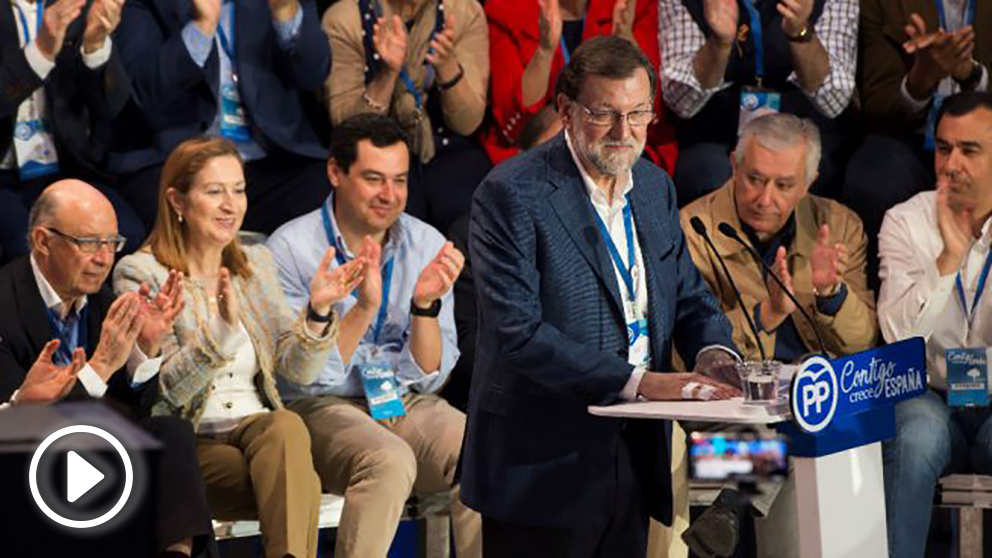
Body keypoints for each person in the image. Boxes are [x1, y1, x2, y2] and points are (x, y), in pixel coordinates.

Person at [461, 36, 740, 557]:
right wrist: (641, 383)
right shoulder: (511, 194)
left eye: (638, 115)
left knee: (761, 463)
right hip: (541, 465)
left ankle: (741, 498)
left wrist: (716, 356)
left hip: (635, 453)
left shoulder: (655, 189)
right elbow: (519, 335)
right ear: (565, 110)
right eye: (604, 114)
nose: (623, 132)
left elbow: (690, 298)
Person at [114, 137, 364, 558]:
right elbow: (167, 395)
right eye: (215, 192)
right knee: (296, 477)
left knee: (285, 427)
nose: (231, 204)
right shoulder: (143, 273)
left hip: (261, 436)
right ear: (177, 199)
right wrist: (222, 334)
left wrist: (318, 311)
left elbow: (297, 372)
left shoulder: (256, 264)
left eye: (239, 189)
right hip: (191, 447)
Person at [268, 113, 481, 558]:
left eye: (399, 181)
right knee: (387, 459)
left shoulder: (426, 243)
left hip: (404, 400)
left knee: (479, 447)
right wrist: (363, 308)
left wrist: (425, 305)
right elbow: (302, 378)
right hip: (322, 406)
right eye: (373, 179)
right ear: (335, 173)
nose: (389, 196)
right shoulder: (290, 248)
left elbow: (429, 377)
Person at [679, 113, 877, 558]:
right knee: (778, 419)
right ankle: (730, 504)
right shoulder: (694, 229)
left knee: (808, 406)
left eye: (784, 185)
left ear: (808, 183)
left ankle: (731, 503)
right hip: (729, 405)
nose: (764, 198)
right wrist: (766, 313)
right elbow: (688, 351)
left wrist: (830, 295)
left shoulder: (838, 226)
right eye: (754, 179)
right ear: (733, 164)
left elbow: (862, 343)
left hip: (814, 402)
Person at [0, 179, 213, 558]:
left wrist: (143, 350)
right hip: (30, 458)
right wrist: (99, 367)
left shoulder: (99, 301)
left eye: (111, 243)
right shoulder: (5, 301)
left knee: (169, 431)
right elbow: (21, 426)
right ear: (42, 241)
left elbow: (133, 407)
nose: (103, 258)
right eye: (88, 243)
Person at [878, 91, 992, 558]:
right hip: (928, 394)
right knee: (915, 437)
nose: (952, 163)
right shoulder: (905, 221)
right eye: (944, 148)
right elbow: (896, 336)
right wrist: (947, 260)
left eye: (970, 150)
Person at [110, 0, 333, 236]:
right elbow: (145, 92)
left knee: (324, 187)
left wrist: (285, 13)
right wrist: (201, 27)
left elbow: (313, 75)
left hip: (264, 160)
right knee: (161, 200)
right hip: (179, 160)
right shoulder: (150, 5)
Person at [846, 0, 990, 291]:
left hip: (984, 139)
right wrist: (920, 79)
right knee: (874, 175)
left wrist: (970, 75)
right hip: (907, 136)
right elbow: (876, 104)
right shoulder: (885, 5)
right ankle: (875, 305)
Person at [659, 0, 858, 205]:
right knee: (703, 172)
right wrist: (719, 43)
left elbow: (834, 101)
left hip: (801, 124)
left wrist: (800, 32)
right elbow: (681, 103)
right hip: (718, 129)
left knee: (816, 172)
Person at [323, 0, 490, 232]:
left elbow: (468, 123)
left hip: (443, 147)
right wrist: (387, 74)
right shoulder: (345, 18)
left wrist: (447, 66)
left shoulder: (462, 12)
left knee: (475, 215)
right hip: (376, 153)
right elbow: (346, 128)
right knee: (394, 222)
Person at [1, 0, 145, 264]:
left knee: (128, 236)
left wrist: (95, 45)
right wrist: (41, 51)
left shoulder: (74, 6)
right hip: (5, 175)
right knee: (25, 252)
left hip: (64, 168)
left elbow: (111, 105)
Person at [482, 0, 677, 173]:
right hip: (539, 147)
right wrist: (544, 52)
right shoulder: (506, 7)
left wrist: (624, 43)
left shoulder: (633, 5)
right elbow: (514, 126)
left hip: (619, 140)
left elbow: (648, 111)